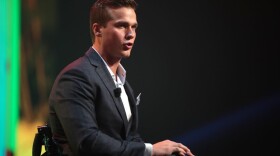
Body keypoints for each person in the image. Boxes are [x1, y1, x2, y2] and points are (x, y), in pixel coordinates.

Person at [48, 0, 194, 156]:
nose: (130, 34)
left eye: (134, 27)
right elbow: (87, 142)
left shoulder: (122, 82)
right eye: (122, 26)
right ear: (98, 30)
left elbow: (129, 139)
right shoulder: (76, 77)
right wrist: (151, 150)